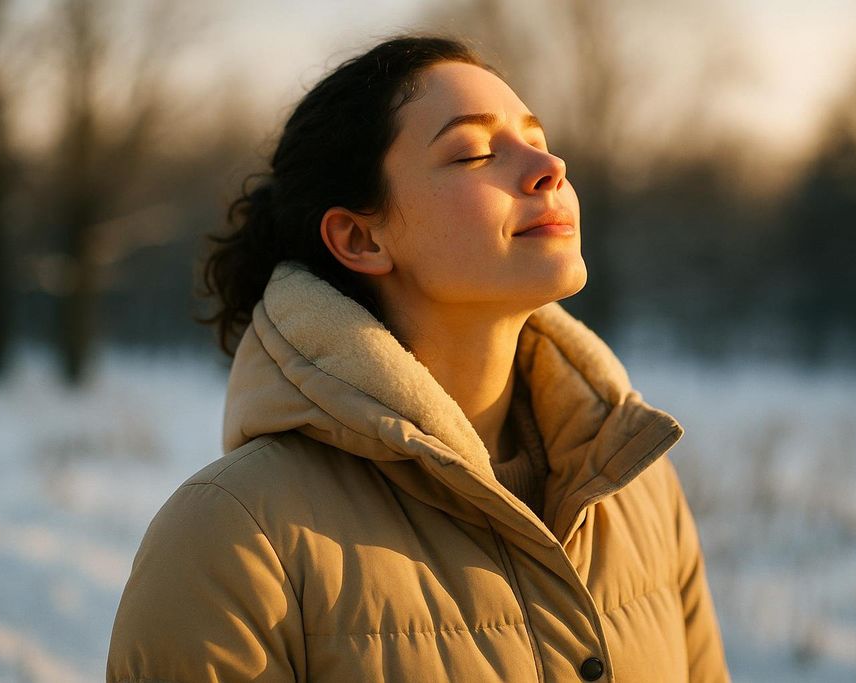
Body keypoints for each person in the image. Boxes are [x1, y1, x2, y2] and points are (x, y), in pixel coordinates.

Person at [106, 33, 729, 682]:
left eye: (538, 140)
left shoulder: (635, 486)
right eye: (476, 151)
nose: (551, 167)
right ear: (360, 237)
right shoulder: (233, 537)